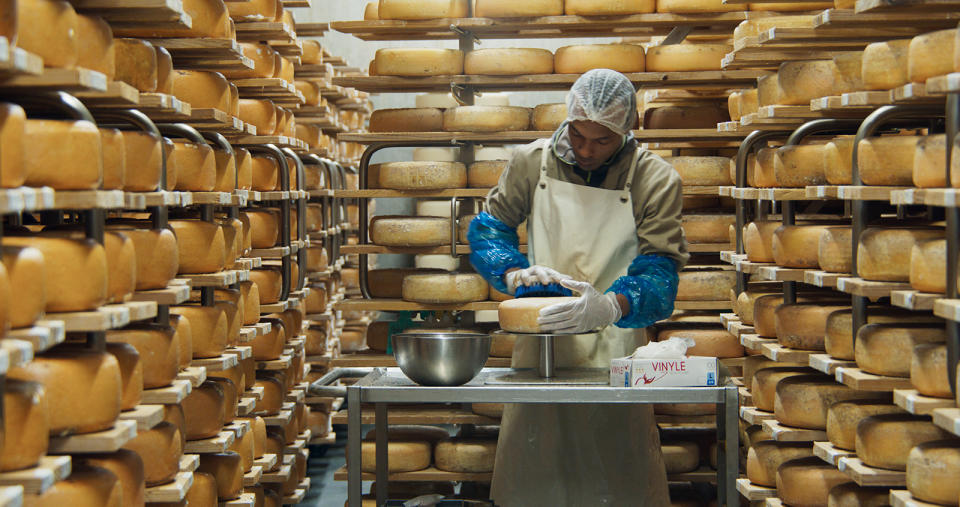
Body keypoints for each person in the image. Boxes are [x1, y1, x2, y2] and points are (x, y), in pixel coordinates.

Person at [467, 68, 689, 506]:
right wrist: (512, 272)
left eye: (602, 140)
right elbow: (490, 231)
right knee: (536, 470)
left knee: (616, 472)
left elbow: (661, 270)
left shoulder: (655, 179)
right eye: (578, 135)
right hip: (542, 342)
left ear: (629, 128)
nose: (586, 150)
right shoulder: (532, 162)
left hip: (615, 345)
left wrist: (609, 307)